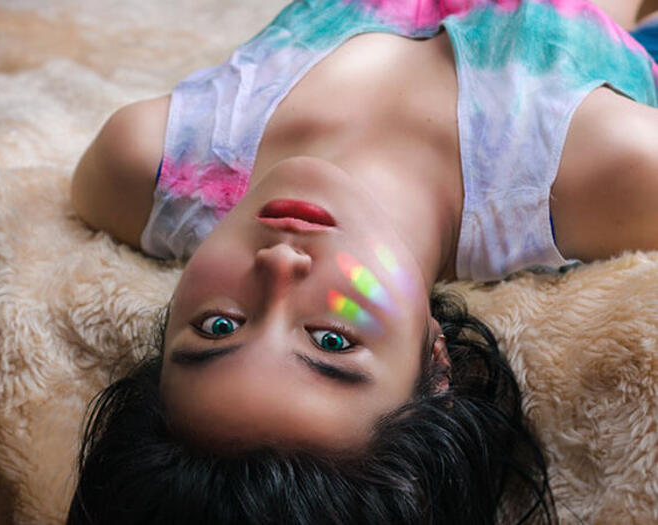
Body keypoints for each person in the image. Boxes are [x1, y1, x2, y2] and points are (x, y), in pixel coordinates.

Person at [67, 0, 658, 523]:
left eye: (218, 326)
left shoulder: (143, 168)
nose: (279, 266)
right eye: (331, 340)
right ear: (436, 362)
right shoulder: (610, 175)